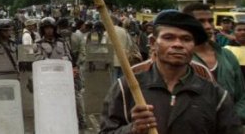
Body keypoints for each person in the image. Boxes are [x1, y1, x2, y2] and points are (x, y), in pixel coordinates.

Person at [100, 10, 242, 134]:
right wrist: (132, 130)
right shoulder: (126, 88)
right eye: (169, 38)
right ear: (154, 43)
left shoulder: (216, 95)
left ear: (194, 46)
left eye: (186, 39)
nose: (178, 44)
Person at [184, 2, 245, 124]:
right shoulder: (182, 59)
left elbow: (242, 95)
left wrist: (233, 118)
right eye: (201, 21)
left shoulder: (227, 55)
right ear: (187, 24)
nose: (207, 26)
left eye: (210, 21)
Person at [57, 18, 87, 130]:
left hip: (60, 69)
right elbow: (83, 54)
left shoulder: (57, 37)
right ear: (69, 25)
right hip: (75, 69)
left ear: (58, 27)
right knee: (78, 95)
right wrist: (76, 66)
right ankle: (82, 121)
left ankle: (64, 119)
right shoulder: (78, 36)